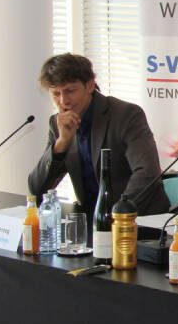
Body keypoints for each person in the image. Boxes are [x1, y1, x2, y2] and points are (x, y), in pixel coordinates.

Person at [28, 53, 169, 217]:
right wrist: (62, 143)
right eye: (56, 94)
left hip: (138, 218)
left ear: (89, 85)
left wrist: (115, 215)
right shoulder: (58, 123)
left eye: (70, 91)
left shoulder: (126, 115)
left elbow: (147, 173)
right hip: (89, 219)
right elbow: (36, 190)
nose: (63, 101)